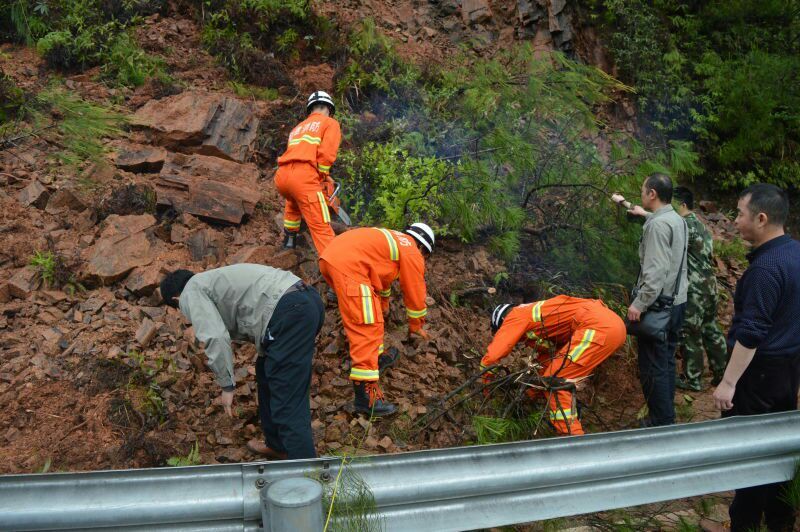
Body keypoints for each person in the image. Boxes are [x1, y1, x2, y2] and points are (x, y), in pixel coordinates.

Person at [160, 263, 324, 460]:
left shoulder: (190, 292)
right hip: (305, 300)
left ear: (176, 299)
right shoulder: (210, 281)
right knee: (265, 371)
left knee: (286, 393)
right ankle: (278, 446)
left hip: (290, 310)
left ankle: (306, 474)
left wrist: (227, 386)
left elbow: (216, 337)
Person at [712, 183, 800, 532]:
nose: (734, 221)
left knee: (750, 461)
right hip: (788, 372)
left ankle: (745, 525)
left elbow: (751, 333)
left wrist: (728, 383)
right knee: (780, 456)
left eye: (740, 214)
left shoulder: (765, 269)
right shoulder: (795, 253)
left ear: (761, 219)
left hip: (760, 376)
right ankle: (781, 523)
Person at [319, 224, 434, 416]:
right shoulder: (412, 251)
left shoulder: (394, 242)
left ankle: (377, 359)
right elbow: (414, 289)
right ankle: (366, 398)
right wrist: (416, 325)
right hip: (349, 267)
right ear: (423, 248)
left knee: (373, 316)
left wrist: (384, 304)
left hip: (331, 259)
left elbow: (382, 278)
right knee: (367, 326)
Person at [481, 296, 626, 435]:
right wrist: (528, 396)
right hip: (613, 326)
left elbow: (494, 354)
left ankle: (573, 441)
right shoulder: (542, 316)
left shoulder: (515, 315)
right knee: (554, 375)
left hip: (597, 329)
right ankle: (571, 426)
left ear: (502, 322)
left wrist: (485, 379)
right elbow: (550, 361)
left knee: (556, 381)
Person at [611, 173, 687, 427]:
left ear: (652, 194)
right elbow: (651, 216)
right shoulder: (676, 219)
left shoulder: (656, 226)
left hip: (658, 305)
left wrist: (640, 303)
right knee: (665, 362)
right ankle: (667, 417)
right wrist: (625, 204)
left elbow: (655, 270)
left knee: (653, 367)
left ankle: (660, 422)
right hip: (677, 303)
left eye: (643, 190)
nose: (641, 194)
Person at [672, 186, 729, 391]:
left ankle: (693, 379)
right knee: (710, 328)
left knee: (690, 333)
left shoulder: (683, 225)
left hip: (694, 288)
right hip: (710, 286)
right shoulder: (701, 225)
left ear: (682, 204)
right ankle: (722, 373)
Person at [275, 90, 341, 253]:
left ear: (310, 109)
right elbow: (326, 155)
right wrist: (322, 176)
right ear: (328, 109)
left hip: (282, 176)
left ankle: (289, 242)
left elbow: (300, 154)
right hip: (303, 178)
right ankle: (335, 263)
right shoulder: (330, 123)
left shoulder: (297, 128)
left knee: (293, 202)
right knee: (321, 225)